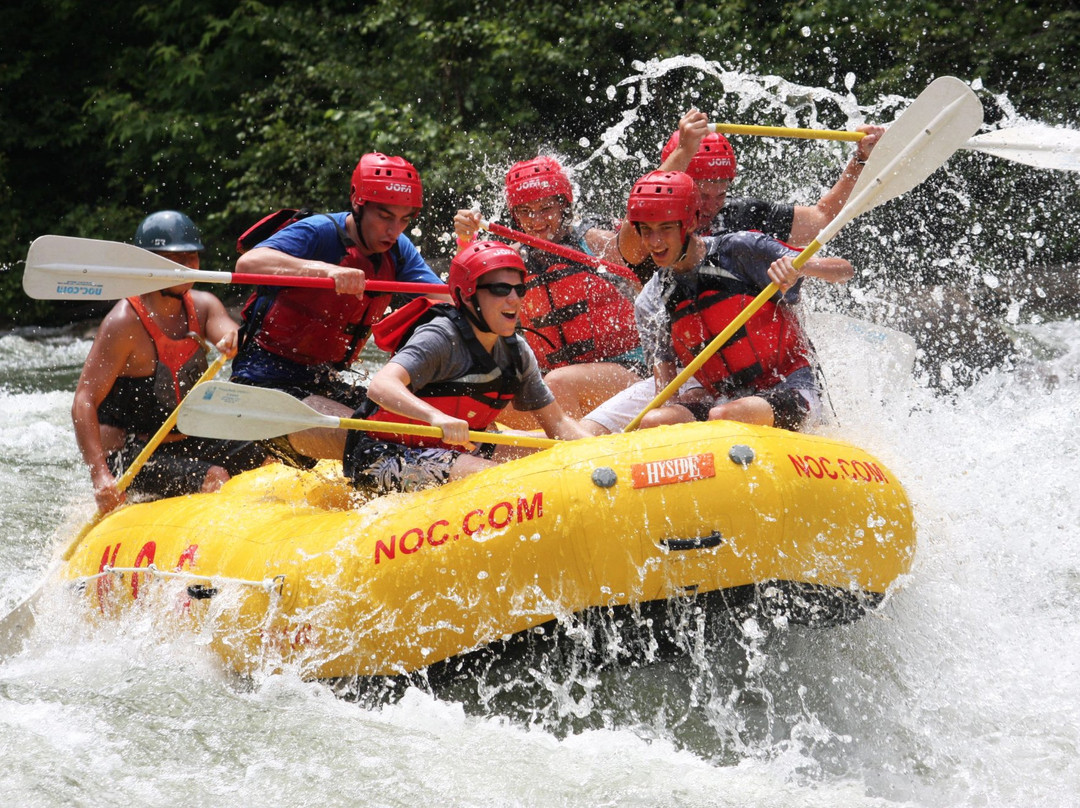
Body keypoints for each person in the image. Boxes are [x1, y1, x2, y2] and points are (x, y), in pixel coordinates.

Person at [301, 240, 588, 495]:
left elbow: (559, 425)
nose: (514, 298)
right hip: (384, 455)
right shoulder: (440, 337)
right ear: (466, 296)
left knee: (549, 455)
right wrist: (435, 417)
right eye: (500, 289)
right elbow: (381, 386)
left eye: (519, 288)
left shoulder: (517, 351)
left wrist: (599, 454)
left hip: (458, 448)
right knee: (493, 478)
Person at [583, 171, 853, 435]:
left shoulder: (740, 250)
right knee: (656, 420)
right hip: (724, 402)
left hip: (792, 389)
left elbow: (844, 270)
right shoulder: (653, 299)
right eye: (646, 230)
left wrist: (801, 267)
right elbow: (666, 391)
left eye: (665, 228)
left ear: (689, 223)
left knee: (726, 415)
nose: (655, 242)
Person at [230, 152, 447, 464]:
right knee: (374, 443)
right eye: (385, 217)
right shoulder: (318, 231)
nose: (394, 230)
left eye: (405, 219)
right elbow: (248, 263)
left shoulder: (399, 251)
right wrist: (325, 271)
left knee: (412, 427)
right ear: (358, 203)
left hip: (324, 381)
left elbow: (446, 298)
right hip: (264, 384)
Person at [72, 211, 267, 514]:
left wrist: (234, 341)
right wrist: (100, 475)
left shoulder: (203, 306)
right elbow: (83, 400)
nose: (187, 267)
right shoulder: (123, 323)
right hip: (131, 455)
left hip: (188, 438)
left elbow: (231, 334)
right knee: (214, 477)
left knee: (267, 455)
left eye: (192, 257)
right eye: (174, 259)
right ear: (147, 264)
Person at [453, 157, 644, 422]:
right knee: (483, 396)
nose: (536, 220)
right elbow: (468, 300)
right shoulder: (513, 261)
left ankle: (576, 453)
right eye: (525, 212)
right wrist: (465, 242)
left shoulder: (597, 243)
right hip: (560, 381)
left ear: (564, 206)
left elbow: (644, 257)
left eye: (545, 208)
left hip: (630, 372)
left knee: (557, 383)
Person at [613, 108, 884, 283]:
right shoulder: (649, 232)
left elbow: (822, 219)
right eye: (703, 196)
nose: (711, 207)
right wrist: (684, 151)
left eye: (721, 195)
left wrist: (860, 160)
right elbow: (647, 209)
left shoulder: (740, 214)